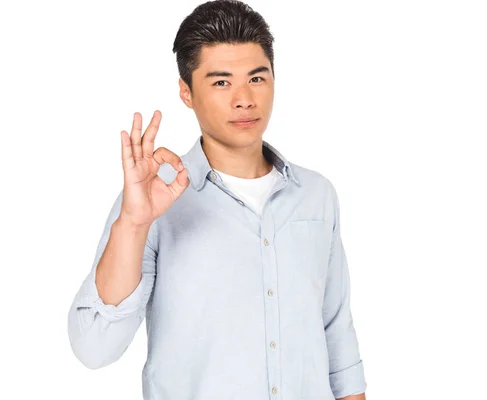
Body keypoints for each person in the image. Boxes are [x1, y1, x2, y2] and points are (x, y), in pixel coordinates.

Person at [67, 1, 367, 399]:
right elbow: (94, 347)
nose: (244, 99)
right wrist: (135, 223)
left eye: (257, 79)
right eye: (221, 82)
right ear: (186, 93)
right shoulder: (153, 200)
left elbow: (336, 334)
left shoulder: (316, 196)